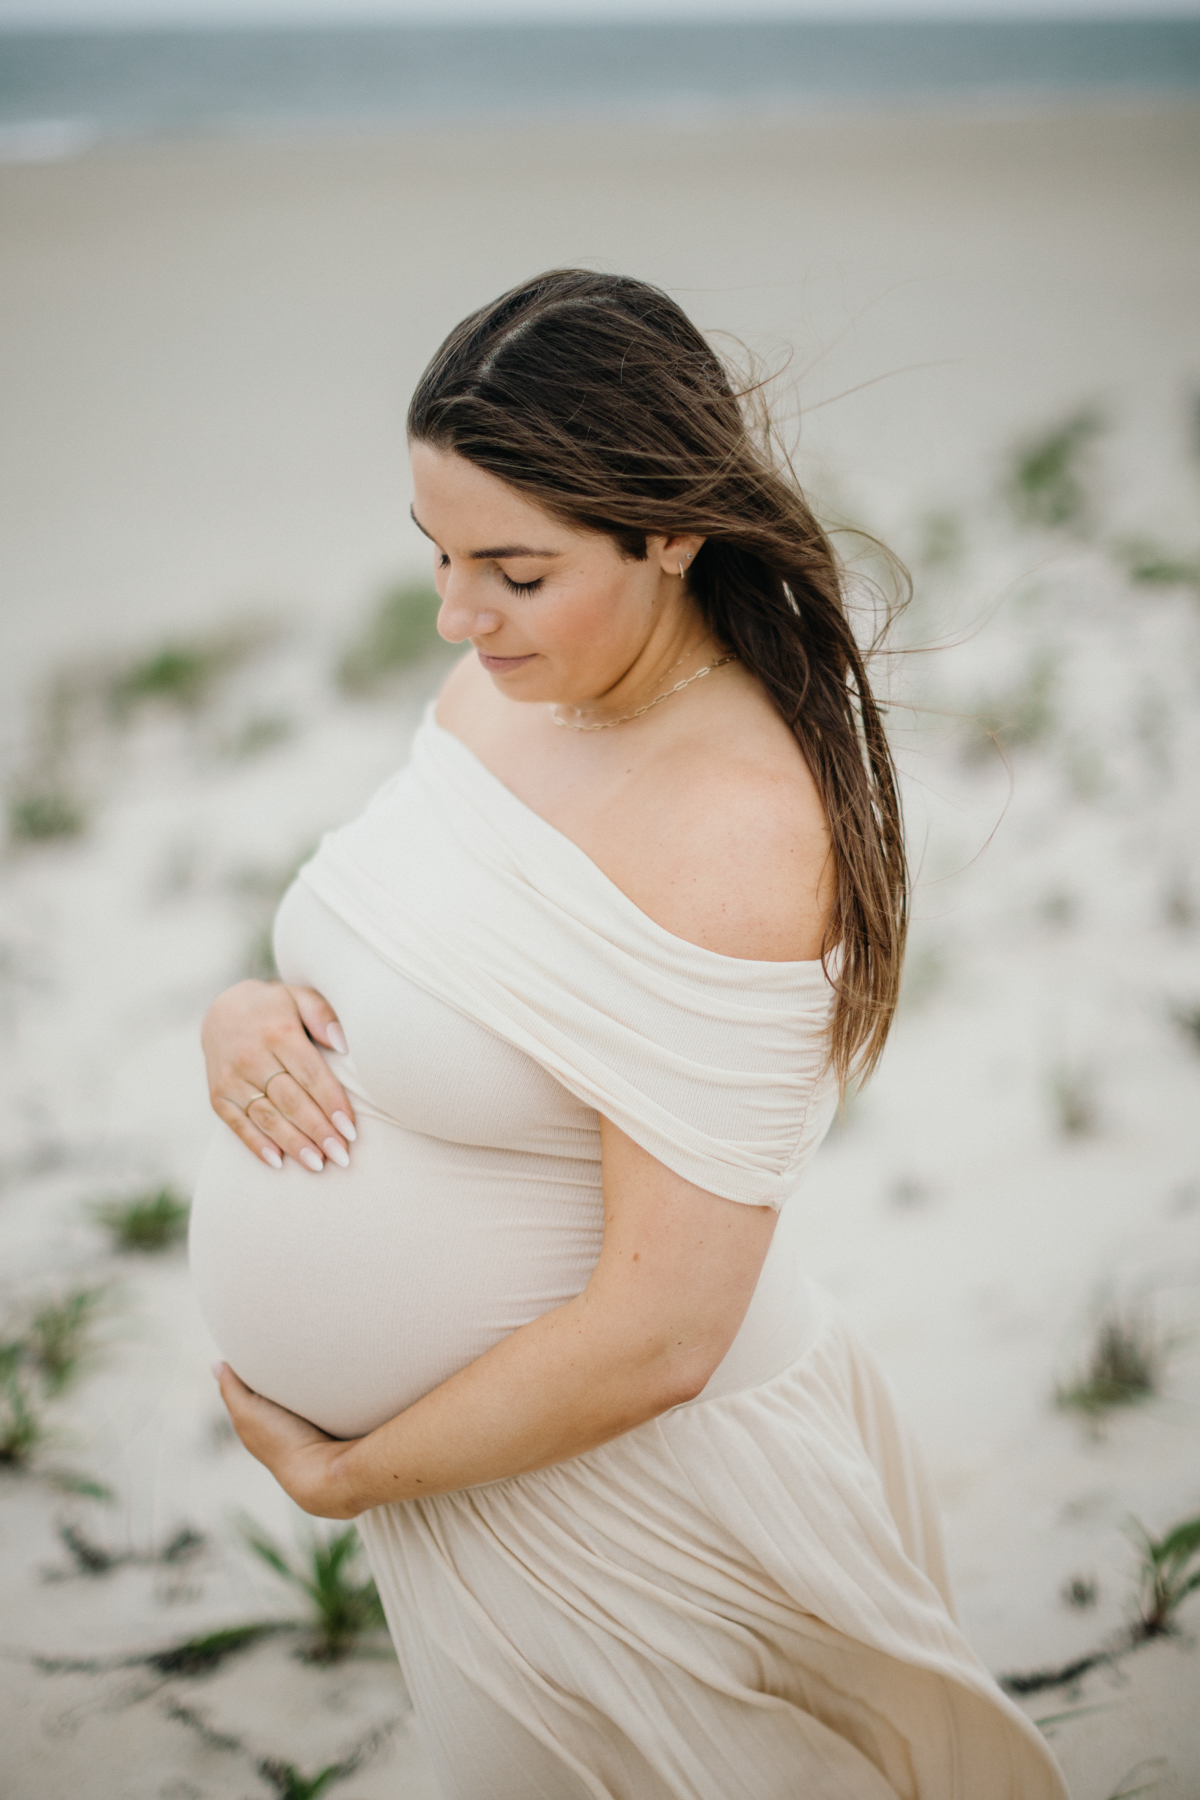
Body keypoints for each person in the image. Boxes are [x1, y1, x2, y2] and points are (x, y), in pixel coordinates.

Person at [191, 269, 1067, 1800]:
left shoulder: (734, 830)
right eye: (440, 556)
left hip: (637, 1509)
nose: (460, 617)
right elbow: (397, 960)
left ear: (669, 532)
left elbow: (664, 1334)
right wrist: (242, 1018)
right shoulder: (510, 686)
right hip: (486, 1493)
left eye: (515, 572)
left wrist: (348, 1475)